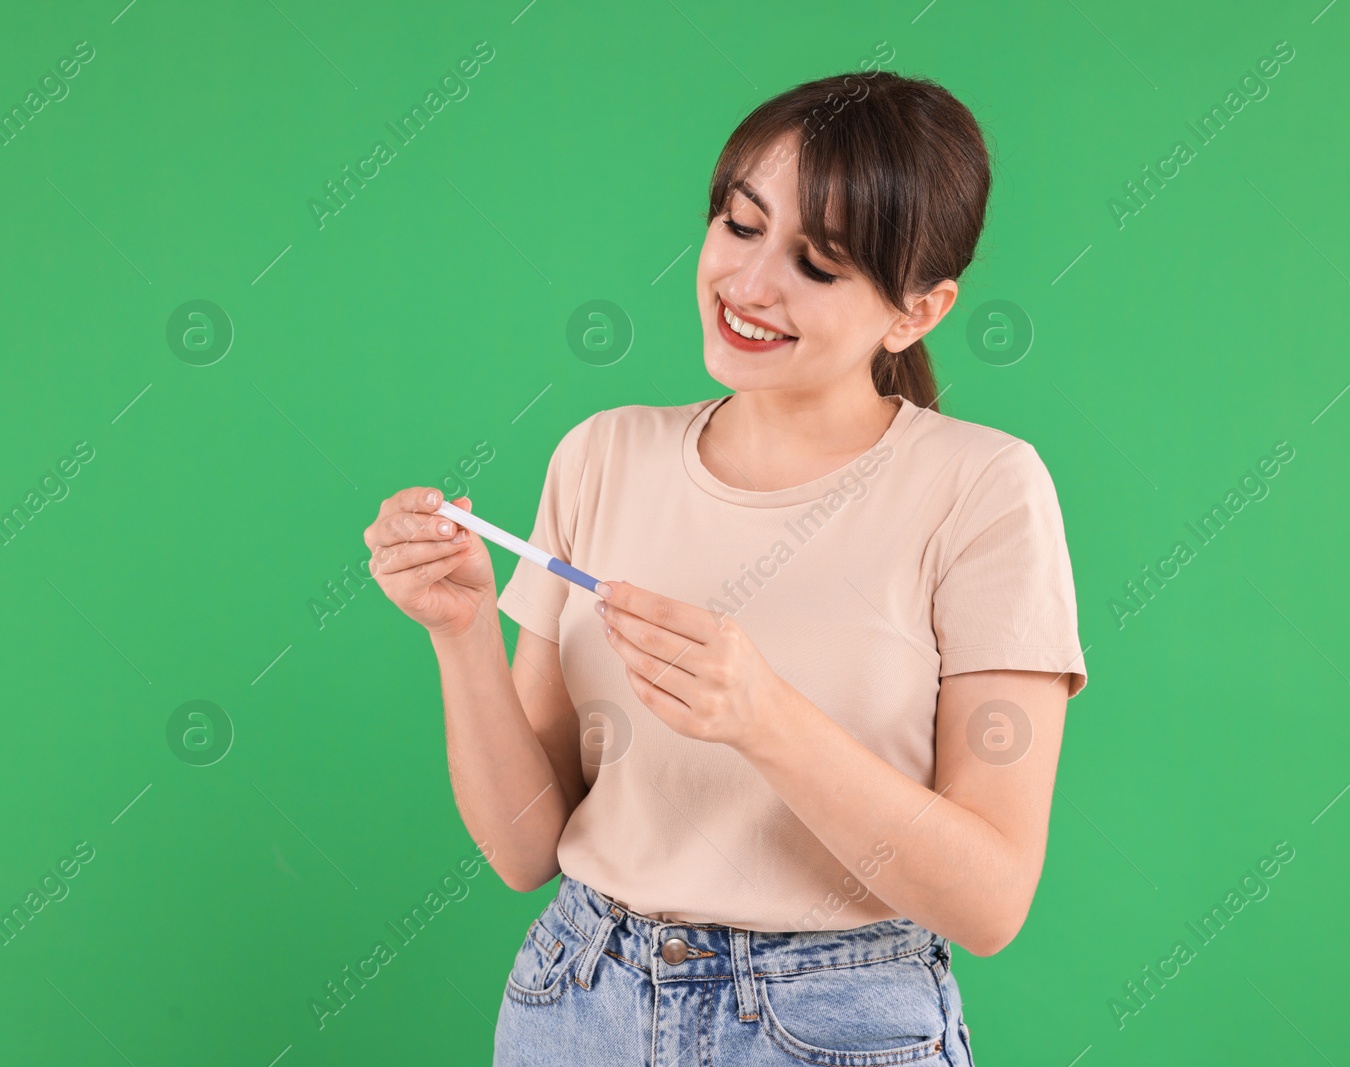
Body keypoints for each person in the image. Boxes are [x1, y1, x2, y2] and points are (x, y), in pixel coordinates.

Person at [365, 69, 1087, 1066]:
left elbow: (990, 897)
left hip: (835, 1023)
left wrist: (762, 715)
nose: (749, 286)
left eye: (818, 265)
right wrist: (459, 634)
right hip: (577, 1001)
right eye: (740, 227)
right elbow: (525, 848)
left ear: (917, 311)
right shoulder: (600, 455)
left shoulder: (983, 488)